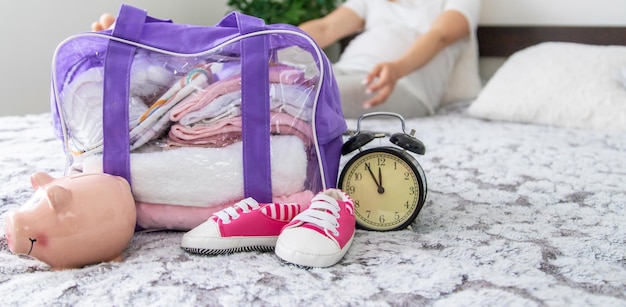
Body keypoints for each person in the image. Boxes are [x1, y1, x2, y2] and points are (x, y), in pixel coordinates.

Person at [92, 0, 480, 119]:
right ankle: (172, 60)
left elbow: (442, 34)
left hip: (399, 84)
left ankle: (165, 80)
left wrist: (397, 68)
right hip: (346, 71)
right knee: (266, 71)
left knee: (287, 91)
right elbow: (326, 30)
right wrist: (260, 40)